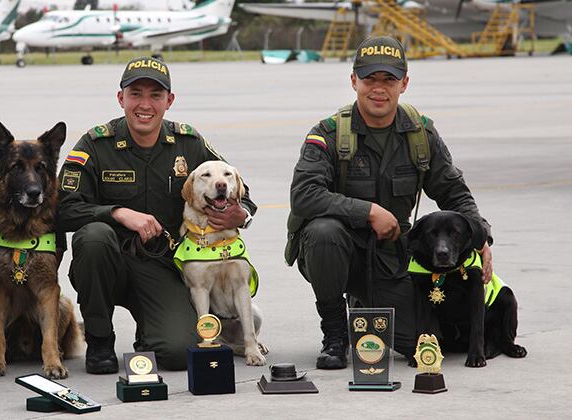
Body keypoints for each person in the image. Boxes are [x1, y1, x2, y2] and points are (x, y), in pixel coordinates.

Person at [286, 36, 493, 369]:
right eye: (370, 79)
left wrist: (480, 236)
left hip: (390, 259)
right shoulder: (327, 134)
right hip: (337, 253)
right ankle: (335, 333)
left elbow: (454, 191)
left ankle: (365, 305)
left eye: (389, 80)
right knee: (324, 231)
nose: (378, 89)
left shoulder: (420, 135)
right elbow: (304, 195)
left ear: (404, 83)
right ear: (354, 80)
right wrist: (368, 211)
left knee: (427, 345)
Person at [56, 57, 256, 373]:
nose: (144, 104)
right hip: (108, 263)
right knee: (93, 237)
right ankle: (99, 341)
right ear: (121, 98)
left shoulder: (189, 144)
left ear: (169, 101)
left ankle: (150, 333)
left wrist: (241, 215)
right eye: (136, 94)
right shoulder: (96, 144)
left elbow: (237, 188)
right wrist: (117, 213)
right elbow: (63, 209)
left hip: (163, 267)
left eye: (155, 95)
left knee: (179, 352)